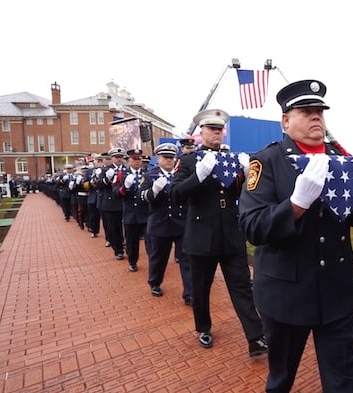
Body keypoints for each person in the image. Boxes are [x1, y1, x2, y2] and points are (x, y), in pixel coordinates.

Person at [238, 80, 353, 392]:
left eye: (319, 110)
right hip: (287, 293)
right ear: (285, 120)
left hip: (335, 290)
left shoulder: (340, 158)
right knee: (281, 380)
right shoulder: (267, 161)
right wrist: (295, 205)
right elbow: (252, 226)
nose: (316, 116)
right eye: (306, 111)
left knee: (345, 381)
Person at [170, 108, 268, 358]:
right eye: (211, 129)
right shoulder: (189, 161)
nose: (216, 133)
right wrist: (198, 176)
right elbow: (176, 193)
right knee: (201, 288)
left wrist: (249, 177)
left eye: (219, 129)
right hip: (202, 235)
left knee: (242, 286)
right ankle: (203, 327)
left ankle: (255, 337)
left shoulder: (234, 159)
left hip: (231, 233)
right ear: (200, 133)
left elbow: (244, 193)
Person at [140, 143, 192, 303]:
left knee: (187, 260)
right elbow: (141, 197)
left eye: (171, 158)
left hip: (181, 223)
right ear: (159, 159)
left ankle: (189, 293)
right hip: (160, 224)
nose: (169, 161)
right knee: (158, 258)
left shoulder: (181, 174)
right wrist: (153, 191)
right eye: (166, 157)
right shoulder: (150, 176)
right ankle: (155, 282)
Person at [115, 149, 150, 271]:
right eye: (134, 159)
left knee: (151, 240)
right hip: (131, 212)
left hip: (146, 212)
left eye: (138, 159)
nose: (136, 162)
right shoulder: (121, 174)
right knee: (132, 241)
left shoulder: (148, 173)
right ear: (128, 160)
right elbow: (116, 193)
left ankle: (154, 262)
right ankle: (132, 261)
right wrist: (125, 187)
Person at [98, 147, 126, 260]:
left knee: (127, 227)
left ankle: (127, 245)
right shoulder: (105, 170)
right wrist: (106, 179)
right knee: (114, 228)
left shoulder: (127, 169)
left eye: (120, 157)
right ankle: (118, 250)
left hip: (125, 201)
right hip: (111, 203)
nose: (118, 159)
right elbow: (99, 185)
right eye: (116, 157)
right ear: (112, 158)